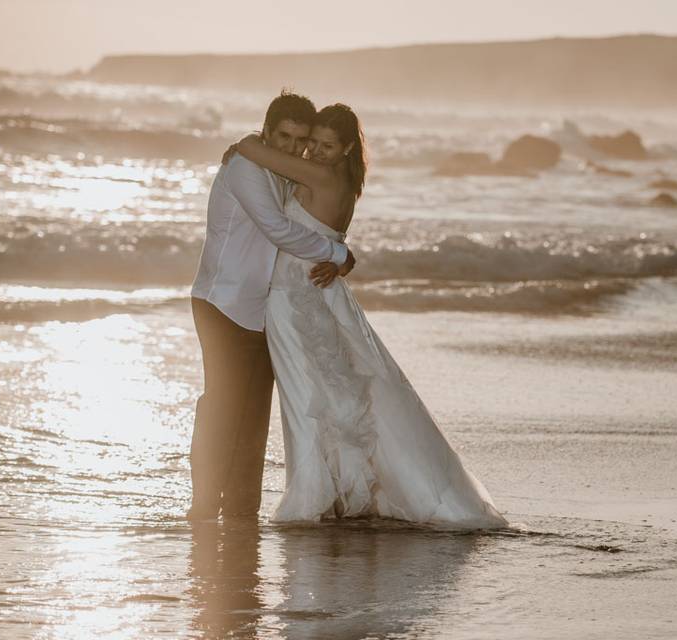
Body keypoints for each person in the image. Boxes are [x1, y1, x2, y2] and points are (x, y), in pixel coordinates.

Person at [228, 104, 507, 528]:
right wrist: (339, 258)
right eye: (311, 144)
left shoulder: (319, 175)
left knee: (309, 397)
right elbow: (323, 233)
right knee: (334, 395)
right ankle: (336, 490)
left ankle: (314, 495)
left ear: (344, 150)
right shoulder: (346, 182)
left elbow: (253, 149)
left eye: (326, 146)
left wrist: (245, 143)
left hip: (293, 295)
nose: (314, 153)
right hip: (317, 290)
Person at [189, 91, 355, 521]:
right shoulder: (245, 168)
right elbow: (278, 229)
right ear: (266, 131)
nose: (292, 149)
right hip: (222, 303)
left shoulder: (277, 169)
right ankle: (204, 507)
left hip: (260, 310)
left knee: (253, 417)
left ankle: (242, 510)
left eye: (299, 141)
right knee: (223, 407)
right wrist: (337, 254)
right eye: (282, 137)